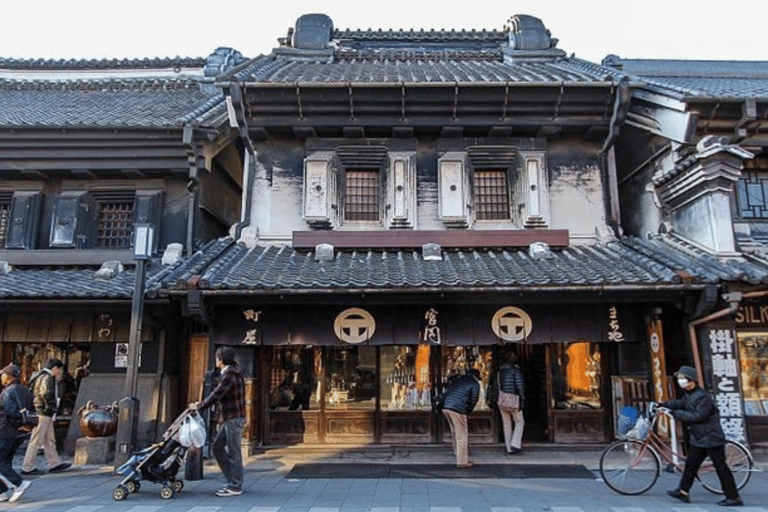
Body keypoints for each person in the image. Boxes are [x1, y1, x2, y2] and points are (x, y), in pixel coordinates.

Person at [661, 365, 744, 507]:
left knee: (721, 468)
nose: (680, 381)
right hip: (699, 438)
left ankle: (733, 497)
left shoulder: (702, 396)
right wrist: (665, 405)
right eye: (679, 378)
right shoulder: (690, 394)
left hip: (711, 437)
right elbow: (680, 403)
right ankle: (683, 491)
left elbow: (699, 415)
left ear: (691, 380)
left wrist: (679, 414)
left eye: (682, 378)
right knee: (691, 464)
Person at [190, 346, 246, 497]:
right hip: (231, 416)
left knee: (234, 452)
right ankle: (232, 479)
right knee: (217, 447)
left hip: (233, 417)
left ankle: (235, 485)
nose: (215, 361)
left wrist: (199, 406)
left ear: (220, 360)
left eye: (216, 358)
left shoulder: (229, 374)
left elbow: (217, 394)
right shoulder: (235, 370)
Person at [21, 359, 71, 475]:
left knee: (49, 439)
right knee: (36, 440)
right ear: (55, 368)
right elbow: (46, 393)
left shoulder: (38, 375)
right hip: (43, 412)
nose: (59, 372)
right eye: (59, 369)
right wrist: (51, 407)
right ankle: (27, 467)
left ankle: (55, 463)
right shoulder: (47, 377)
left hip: (41, 411)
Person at [0, 364, 32, 502]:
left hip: (8, 431)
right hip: (19, 432)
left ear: (7, 376)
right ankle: (2, 492)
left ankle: (18, 484)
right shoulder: (25, 389)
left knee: (2, 463)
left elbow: (10, 413)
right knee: (5, 461)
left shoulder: (8, 392)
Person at [441, 369, 480, 468]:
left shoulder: (459, 380)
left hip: (446, 407)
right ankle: (462, 461)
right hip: (458, 409)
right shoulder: (474, 383)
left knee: (455, 432)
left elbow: (447, 391)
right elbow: (473, 399)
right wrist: (468, 411)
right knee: (462, 435)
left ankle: (457, 452)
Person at [498, 352, 525, 454]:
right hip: (513, 399)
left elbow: (496, 387)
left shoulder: (500, 371)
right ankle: (515, 443)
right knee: (519, 421)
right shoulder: (516, 371)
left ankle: (509, 448)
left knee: (506, 424)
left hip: (502, 400)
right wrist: (522, 399)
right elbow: (520, 386)